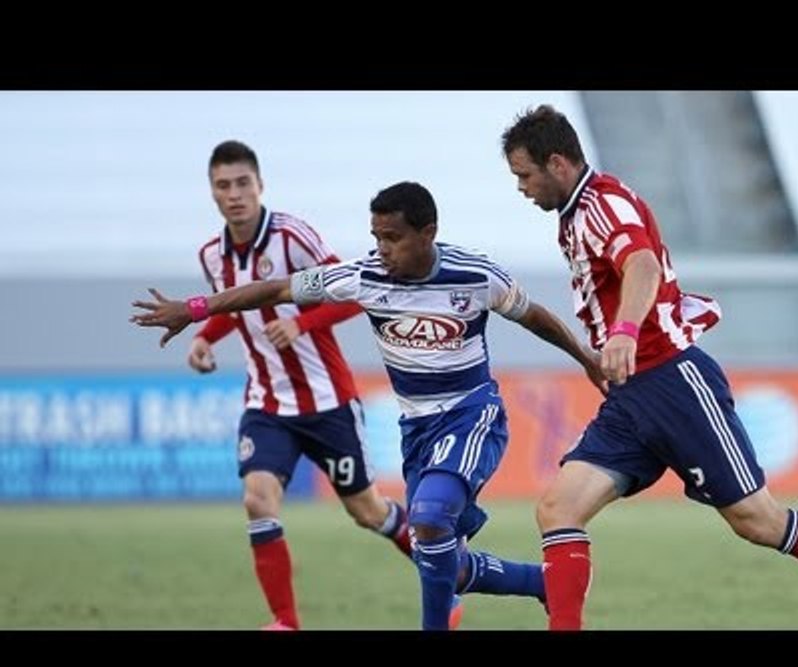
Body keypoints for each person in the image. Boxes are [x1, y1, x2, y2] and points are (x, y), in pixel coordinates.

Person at [500, 104, 798, 631]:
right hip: (632, 397)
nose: (521, 188)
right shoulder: (577, 215)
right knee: (558, 510)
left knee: (758, 521)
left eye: (524, 175)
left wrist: (626, 333)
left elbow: (642, 264)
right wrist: (598, 354)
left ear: (557, 162)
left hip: (674, 382)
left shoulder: (602, 204)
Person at [132, 180, 607, 630]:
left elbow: (536, 317)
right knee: (444, 561)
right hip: (416, 430)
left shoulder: (477, 276)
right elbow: (276, 289)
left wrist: (586, 359)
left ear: (428, 234)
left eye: (393, 238)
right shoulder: (364, 277)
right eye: (376, 236)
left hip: (471, 416)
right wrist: (196, 310)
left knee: (428, 516)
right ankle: (543, 583)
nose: (382, 248)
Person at [187, 140, 414, 631]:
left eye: (243, 183)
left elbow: (356, 293)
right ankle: (285, 622)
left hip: (327, 401)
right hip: (266, 403)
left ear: (260, 185)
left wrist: (301, 325)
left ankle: (445, 568)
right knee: (257, 498)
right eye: (223, 186)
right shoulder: (212, 256)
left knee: (369, 511)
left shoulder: (292, 237)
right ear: (212, 193)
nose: (235, 195)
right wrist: (205, 337)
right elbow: (233, 307)